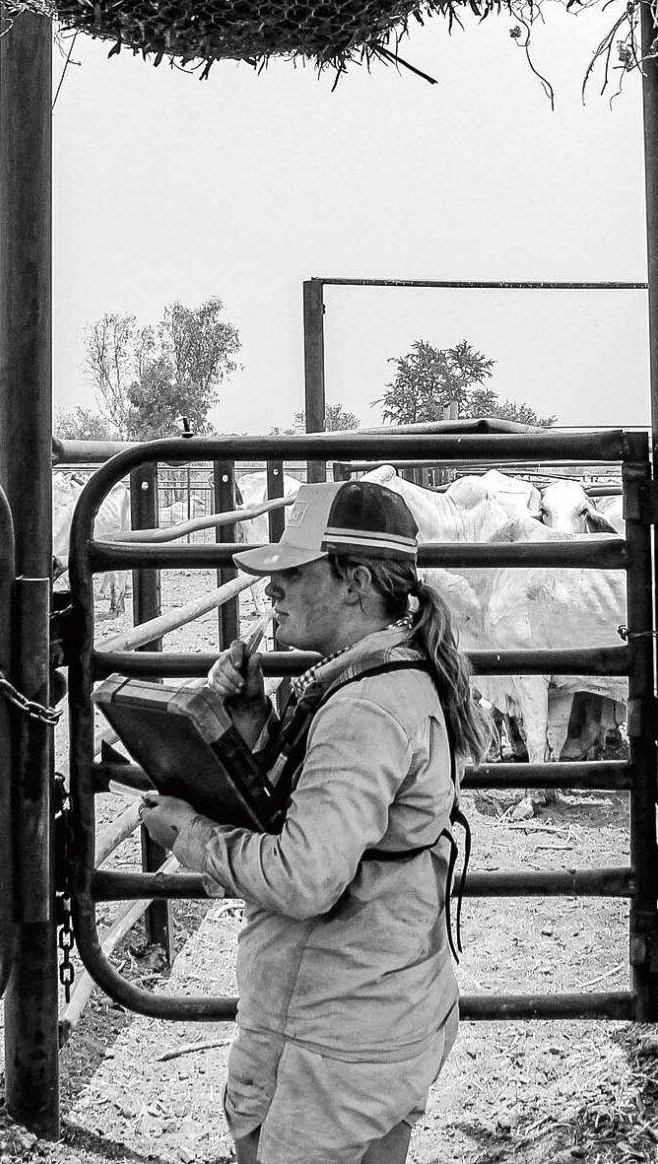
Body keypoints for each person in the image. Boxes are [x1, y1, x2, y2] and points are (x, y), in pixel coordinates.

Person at [140, 481, 481, 1164]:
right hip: (383, 1007)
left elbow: (305, 876)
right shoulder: (384, 676)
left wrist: (192, 837)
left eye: (294, 574)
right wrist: (255, 724)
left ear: (354, 583)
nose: (274, 590)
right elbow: (334, 813)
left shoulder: (362, 708)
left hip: (330, 1033)